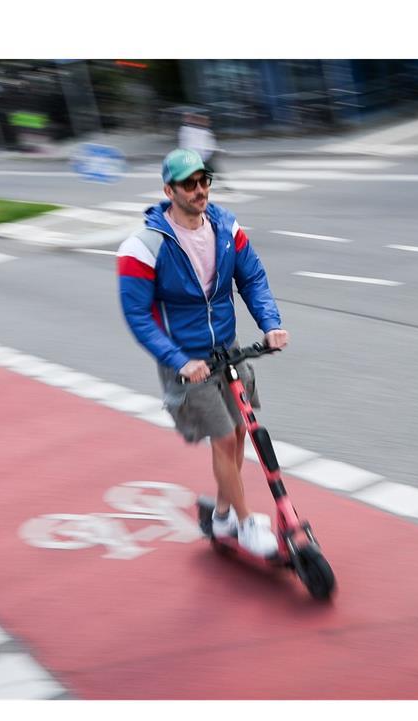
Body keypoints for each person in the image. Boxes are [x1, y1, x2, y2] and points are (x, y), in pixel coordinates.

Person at [117, 148, 288, 557]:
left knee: (241, 432)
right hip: (188, 360)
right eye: (189, 184)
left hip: (227, 350)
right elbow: (138, 315)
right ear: (169, 189)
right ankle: (246, 524)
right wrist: (180, 361)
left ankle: (224, 514)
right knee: (224, 437)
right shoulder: (144, 246)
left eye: (204, 181)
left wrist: (271, 323)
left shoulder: (227, 228)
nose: (199, 191)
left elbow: (253, 279)